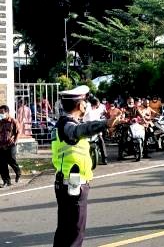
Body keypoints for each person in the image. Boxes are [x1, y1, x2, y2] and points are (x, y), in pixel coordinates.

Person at [52, 85, 119, 246]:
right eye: (85, 101)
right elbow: (80, 130)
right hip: (73, 183)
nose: (87, 104)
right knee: (74, 233)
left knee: (65, 231)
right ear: (80, 105)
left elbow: (83, 128)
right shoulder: (67, 125)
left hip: (67, 181)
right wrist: (106, 123)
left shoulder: (64, 123)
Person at [83, 97, 109, 165]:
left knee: (101, 140)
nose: (98, 105)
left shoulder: (97, 111)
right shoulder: (88, 110)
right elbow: (82, 118)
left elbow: (100, 118)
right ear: (95, 104)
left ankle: (104, 158)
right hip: (87, 129)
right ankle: (84, 159)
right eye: (98, 103)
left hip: (95, 130)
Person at [0, 105, 21, 188]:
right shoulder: (0, 122)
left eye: (2, 112)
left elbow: (18, 132)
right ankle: (6, 181)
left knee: (11, 160)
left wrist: (15, 141)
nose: (1, 114)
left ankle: (18, 172)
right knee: (1, 164)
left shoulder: (13, 121)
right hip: (1, 146)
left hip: (11, 145)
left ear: (7, 112)